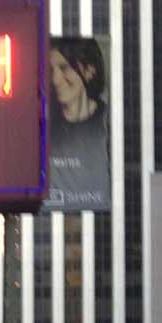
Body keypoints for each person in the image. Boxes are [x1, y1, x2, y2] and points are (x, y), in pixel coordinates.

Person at [47, 39, 109, 210]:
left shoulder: (110, 122)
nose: (56, 79)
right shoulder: (42, 126)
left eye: (64, 68)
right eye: (50, 70)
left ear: (89, 70)